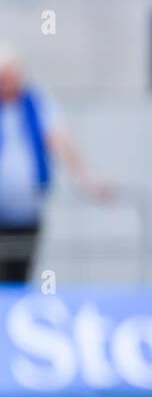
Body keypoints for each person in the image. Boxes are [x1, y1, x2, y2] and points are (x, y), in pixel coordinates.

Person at [0, 46, 108, 282]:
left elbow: (60, 141)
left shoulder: (36, 104)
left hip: (29, 209)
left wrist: (86, 178)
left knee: (19, 273)